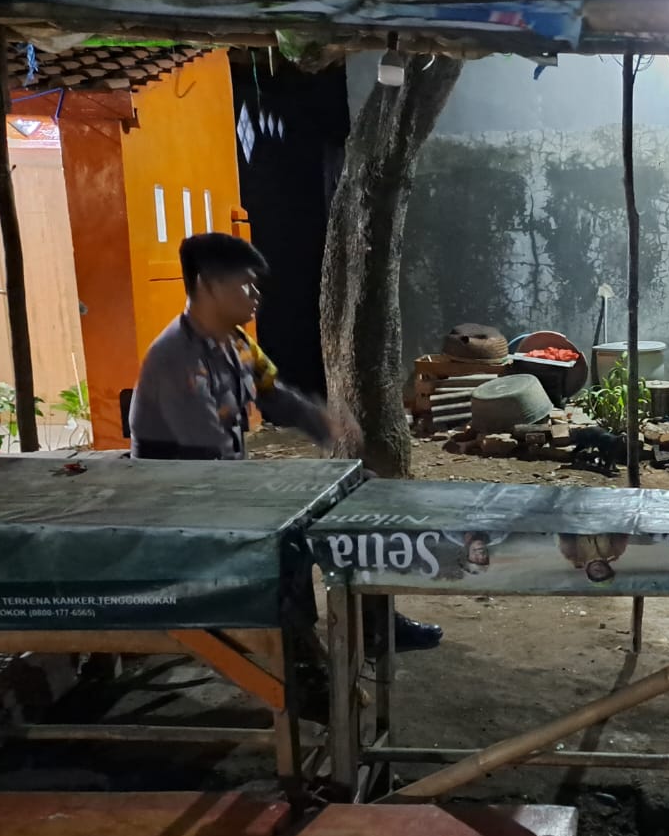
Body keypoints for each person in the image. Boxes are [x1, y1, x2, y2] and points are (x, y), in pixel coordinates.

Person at [129, 232, 441, 651]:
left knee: (361, 491)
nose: (256, 294)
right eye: (245, 284)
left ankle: (373, 624)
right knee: (294, 528)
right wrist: (287, 488)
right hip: (181, 503)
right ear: (207, 285)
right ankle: (298, 652)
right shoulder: (177, 360)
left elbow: (273, 393)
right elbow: (207, 461)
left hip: (217, 487)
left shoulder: (235, 342)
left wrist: (324, 423)